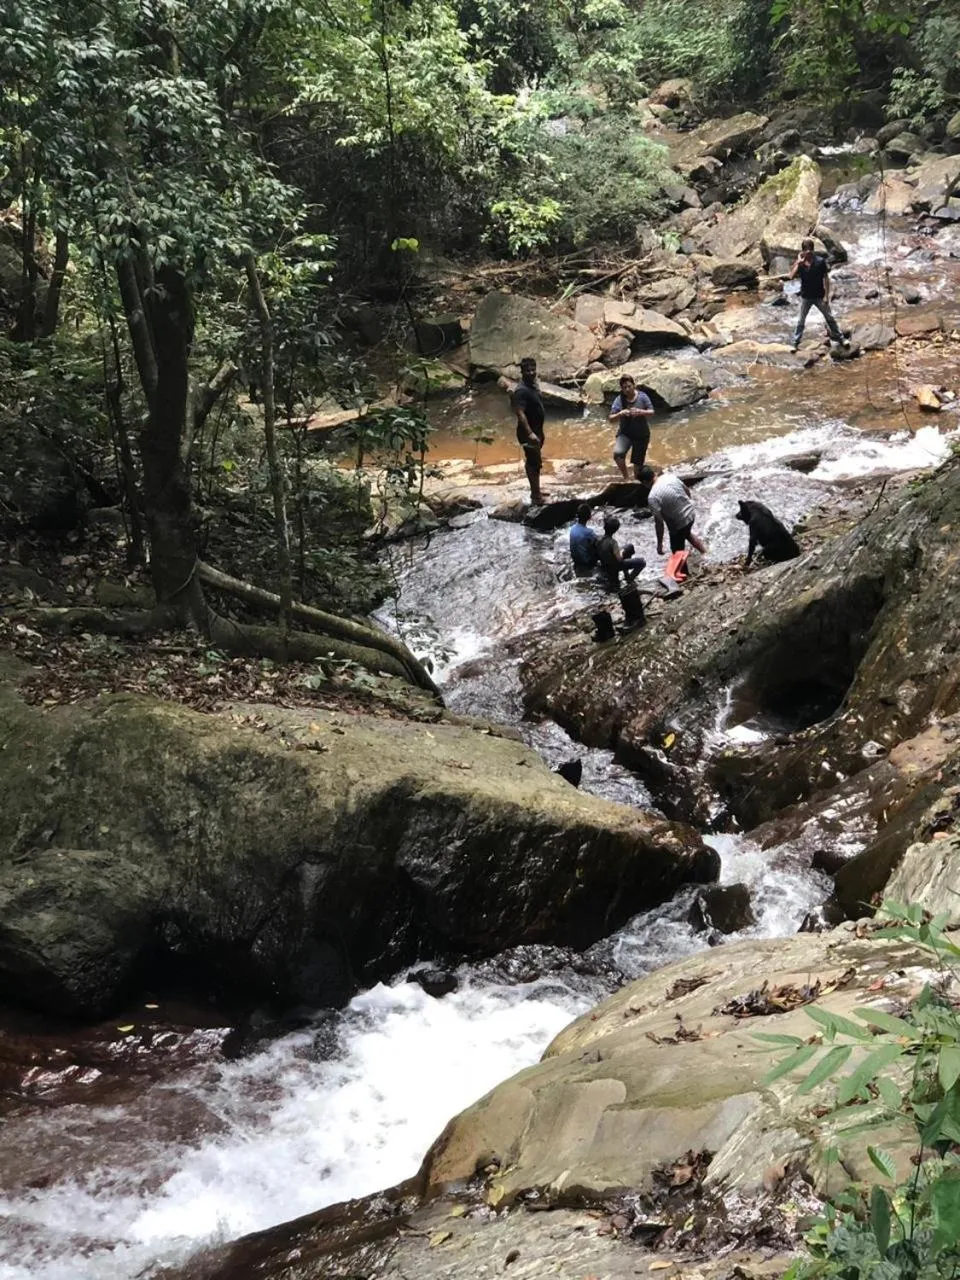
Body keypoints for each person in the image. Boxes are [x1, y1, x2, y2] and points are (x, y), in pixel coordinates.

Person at [788, 239, 848, 352]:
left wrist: (826, 295)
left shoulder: (820, 262)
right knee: (801, 320)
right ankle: (795, 343)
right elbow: (790, 276)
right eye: (806, 250)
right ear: (803, 251)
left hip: (819, 296)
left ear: (813, 250)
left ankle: (841, 338)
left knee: (829, 317)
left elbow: (826, 278)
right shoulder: (800, 264)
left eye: (810, 250)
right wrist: (798, 262)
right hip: (806, 297)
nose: (808, 252)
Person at [639, 465, 707, 556]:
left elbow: (659, 523)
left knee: (677, 553)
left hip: (679, 525)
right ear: (653, 473)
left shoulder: (653, 497)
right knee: (687, 534)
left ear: (644, 482)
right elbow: (687, 491)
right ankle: (705, 553)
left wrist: (659, 544)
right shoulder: (669, 477)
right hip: (691, 513)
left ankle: (683, 569)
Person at [512, 356, 545, 505]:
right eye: (528, 370)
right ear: (522, 372)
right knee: (532, 463)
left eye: (533, 369)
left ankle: (536, 490)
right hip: (528, 433)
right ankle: (536, 497)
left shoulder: (532, 385)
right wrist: (530, 433)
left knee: (536, 462)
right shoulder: (521, 391)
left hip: (537, 430)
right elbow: (520, 413)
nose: (531, 372)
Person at [608, 375, 654, 480]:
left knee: (637, 467)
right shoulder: (619, 400)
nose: (627, 389)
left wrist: (640, 412)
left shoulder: (643, 397)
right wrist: (620, 413)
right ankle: (626, 477)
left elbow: (651, 412)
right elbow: (610, 418)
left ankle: (636, 480)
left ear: (634, 385)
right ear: (622, 389)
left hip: (641, 435)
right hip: (625, 434)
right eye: (624, 388)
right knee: (618, 454)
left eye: (629, 386)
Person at [597, 516, 646, 589]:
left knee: (629, 546)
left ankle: (626, 575)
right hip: (614, 566)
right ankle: (629, 579)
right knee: (642, 562)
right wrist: (622, 554)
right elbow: (619, 559)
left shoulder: (598, 539)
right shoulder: (613, 543)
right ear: (615, 530)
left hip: (605, 563)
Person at [569, 503, 600, 574]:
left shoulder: (572, 528)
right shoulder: (589, 532)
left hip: (575, 560)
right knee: (600, 545)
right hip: (586, 563)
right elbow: (598, 543)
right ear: (589, 517)